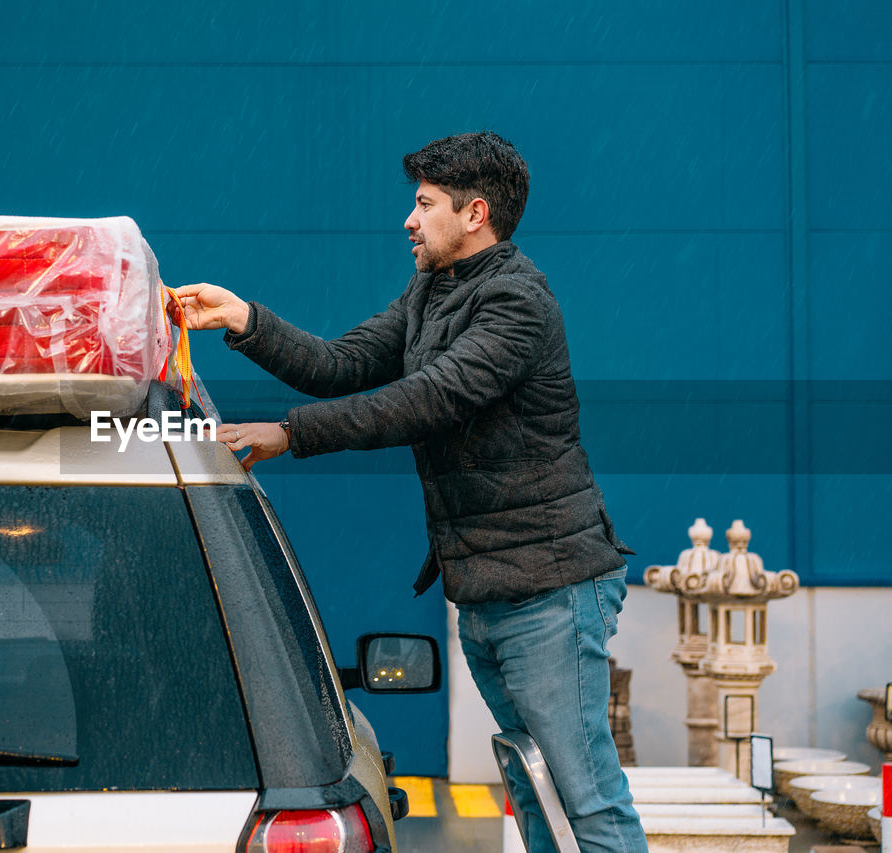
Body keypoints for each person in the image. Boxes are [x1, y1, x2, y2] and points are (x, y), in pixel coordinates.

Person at [174, 131, 648, 852]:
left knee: (586, 800)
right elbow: (343, 362)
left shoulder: (517, 303)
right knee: (535, 788)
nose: (409, 219)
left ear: (475, 213)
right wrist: (243, 318)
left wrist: (288, 433)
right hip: (489, 588)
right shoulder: (433, 290)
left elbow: (424, 400)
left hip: (550, 591)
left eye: (424, 204)